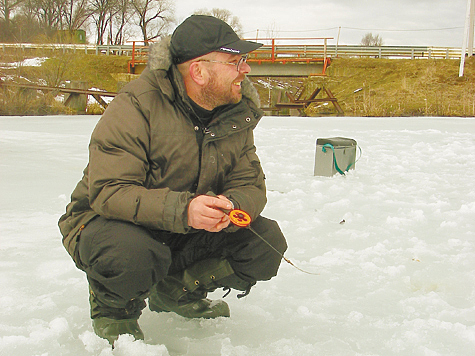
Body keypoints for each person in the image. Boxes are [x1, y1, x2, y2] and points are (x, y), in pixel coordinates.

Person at [58, 14, 287, 345]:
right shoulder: (137, 105)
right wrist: (184, 210)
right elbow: (109, 192)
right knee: (130, 253)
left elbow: (250, 183)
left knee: (264, 243)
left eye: (244, 61)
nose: (246, 70)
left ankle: (175, 292)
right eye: (235, 61)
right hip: (110, 224)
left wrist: (230, 205)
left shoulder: (236, 114)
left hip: (185, 230)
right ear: (198, 71)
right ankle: (114, 311)